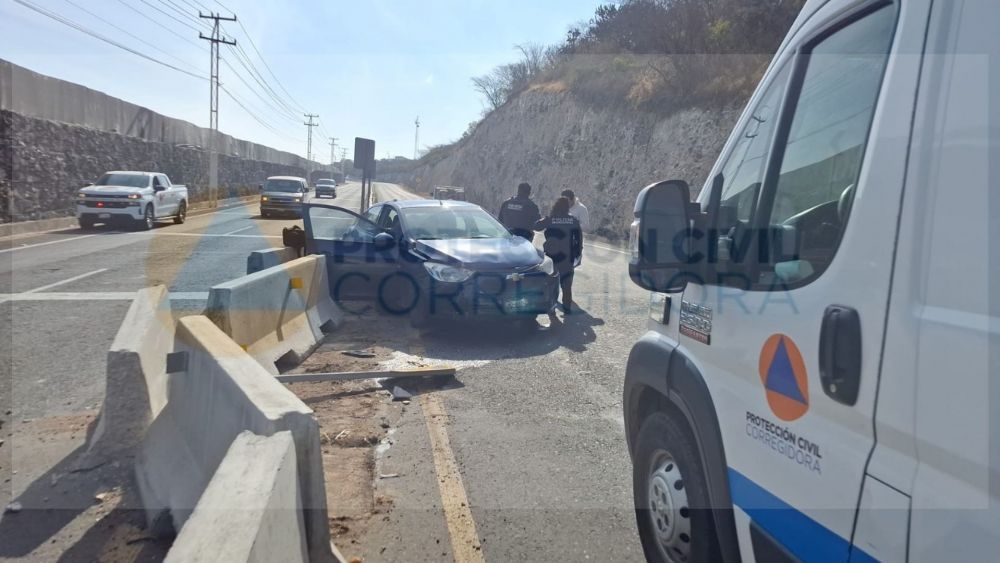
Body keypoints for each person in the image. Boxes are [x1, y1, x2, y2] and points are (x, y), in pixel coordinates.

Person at [535, 197, 583, 315]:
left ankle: (551, 308)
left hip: (552, 256)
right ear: (567, 208)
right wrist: (577, 254)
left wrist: (546, 218)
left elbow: (536, 226)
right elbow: (578, 240)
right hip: (567, 257)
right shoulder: (573, 221)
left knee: (552, 282)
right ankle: (567, 308)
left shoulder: (550, 219)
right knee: (567, 283)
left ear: (555, 206)